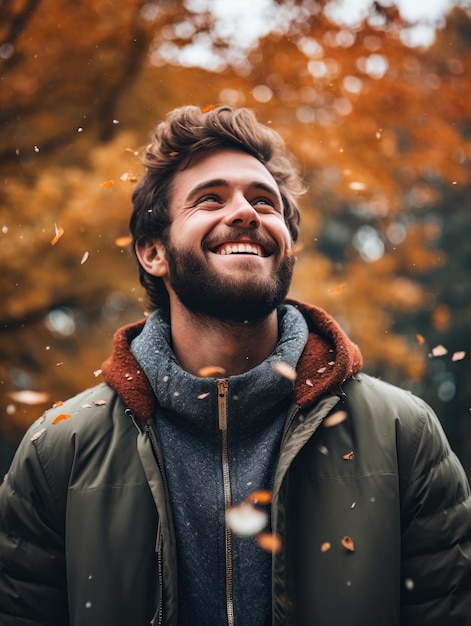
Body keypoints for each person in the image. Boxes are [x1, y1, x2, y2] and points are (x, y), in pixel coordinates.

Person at [0, 105, 470, 626]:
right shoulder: (58, 452)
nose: (246, 213)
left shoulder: (402, 434)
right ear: (153, 252)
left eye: (264, 202)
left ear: (286, 246)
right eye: (210, 199)